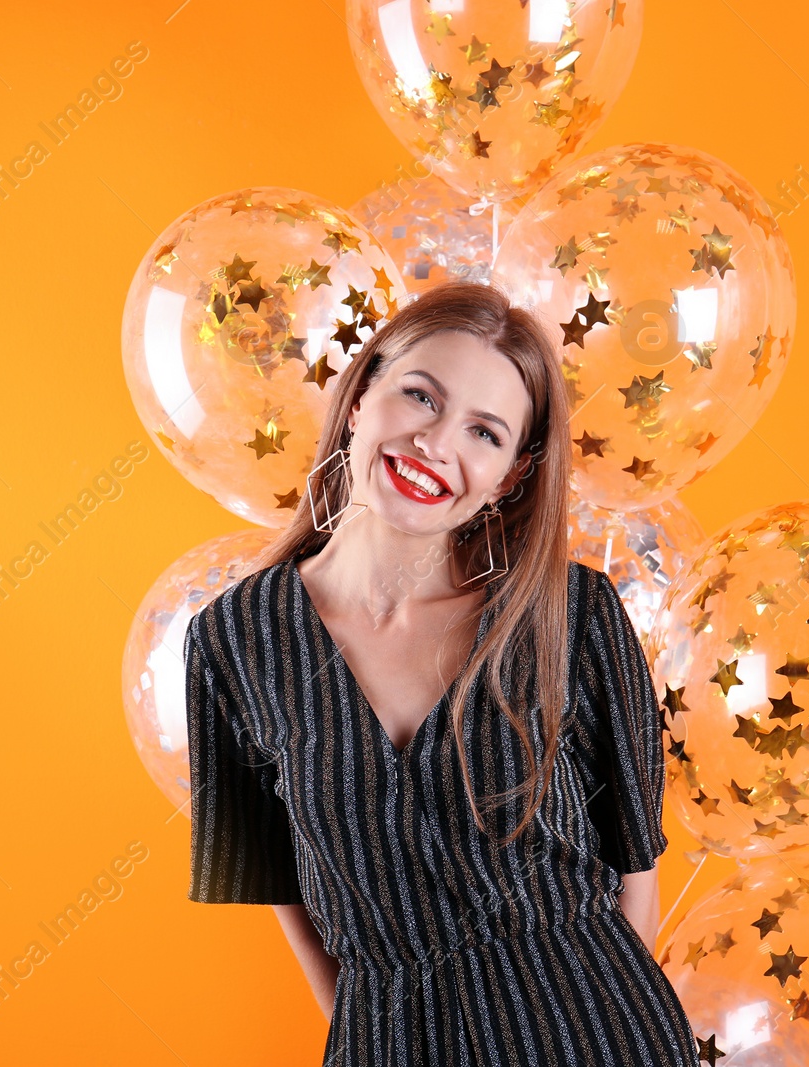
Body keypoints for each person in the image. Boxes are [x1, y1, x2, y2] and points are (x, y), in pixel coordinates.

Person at [183, 279, 699, 1065]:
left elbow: (637, 876)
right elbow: (281, 888)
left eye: (485, 433)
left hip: (596, 1030)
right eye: (420, 396)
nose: (437, 443)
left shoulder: (575, 615)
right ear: (360, 397)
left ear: (510, 478)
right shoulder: (231, 641)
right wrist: (377, 1031)